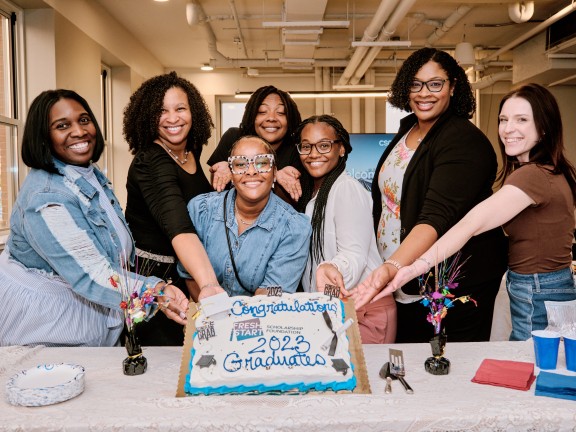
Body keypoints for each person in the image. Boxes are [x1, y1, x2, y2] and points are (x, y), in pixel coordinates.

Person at [385, 83, 576, 341]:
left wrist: (413, 267)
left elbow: (471, 224)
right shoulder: (551, 170)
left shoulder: (531, 176)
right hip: (548, 282)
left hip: (537, 287)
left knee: (530, 362)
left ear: (543, 128)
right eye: (504, 119)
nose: (508, 129)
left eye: (522, 120)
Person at [0, 89, 187, 347]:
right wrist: (156, 292)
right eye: (62, 125)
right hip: (50, 329)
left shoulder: (85, 173)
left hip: (91, 313)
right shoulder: (46, 199)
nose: (79, 131)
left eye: (84, 120)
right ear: (43, 137)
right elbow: (92, 274)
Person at [352, 47, 508, 343]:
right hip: (404, 280)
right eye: (416, 84)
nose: (425, 93)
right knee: (408, 368)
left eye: (435, 84)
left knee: (447, 373)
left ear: (453, 87)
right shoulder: (408, 130)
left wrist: (392, 266)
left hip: (451, 288)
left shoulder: (463, 141)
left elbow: (435, 217)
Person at [123, 72, 221, 345]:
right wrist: (209, 284)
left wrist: (224, 163)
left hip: (189, 271)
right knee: (167, 368)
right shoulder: (151, 162)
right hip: (157, 286)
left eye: (180, 109)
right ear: (147, 117)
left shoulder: (191, 150)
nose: (173, 119)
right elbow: (179, 227)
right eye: (161, 111)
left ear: (194, 113)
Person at [295, 115, 396, 343]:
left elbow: (354, 254)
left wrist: (332, 267)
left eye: (324, 145)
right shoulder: (315, 195)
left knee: (366, 379)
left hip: (363, 309)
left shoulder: (346, 190)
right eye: (306, 146)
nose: (313, 154)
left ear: (341, 149)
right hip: (335, 308)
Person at [183, 136, 312, 299]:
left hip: (260, 320)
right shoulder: (201, 210)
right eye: (241, 164)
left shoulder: (294, 227)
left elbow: (275, 290)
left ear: (274, 172)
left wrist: (238, 320)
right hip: (207, 316)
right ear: (231, 173)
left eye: (262, 163)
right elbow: (190, 275)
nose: (251, 171)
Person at [207, 85, 304, 203]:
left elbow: (294, 202)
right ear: (252, 116)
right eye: (262, 112)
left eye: (281, 113)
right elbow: (216, 190)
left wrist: (277, 179)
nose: (271, 118)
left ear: (290, 119)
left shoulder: (297, 148)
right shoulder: (233, 138)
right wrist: (223, 168)